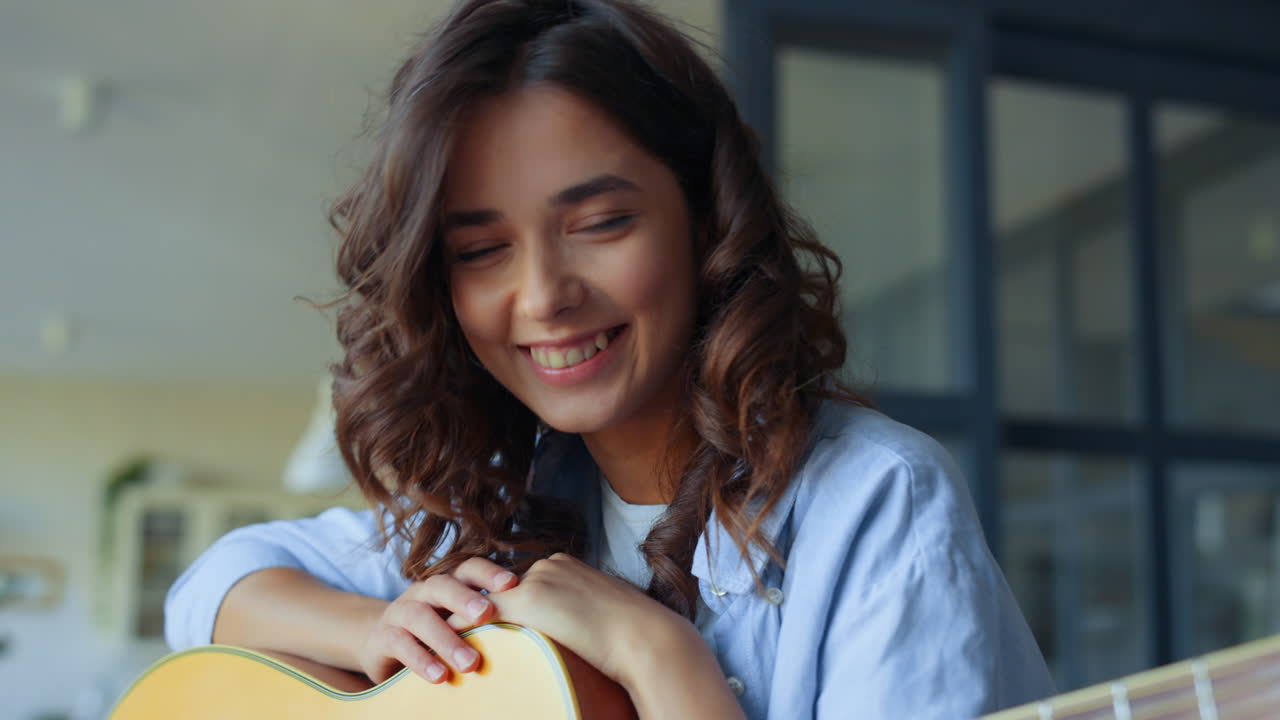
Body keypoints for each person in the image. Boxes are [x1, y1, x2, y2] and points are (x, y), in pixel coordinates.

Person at [164, 1, 1056, 717]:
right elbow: (210, 591)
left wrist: (659, 660)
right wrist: (374, 633)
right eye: (480, 252)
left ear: (708, 219)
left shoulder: (875, 504)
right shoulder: (504, 492)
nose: (544, 295)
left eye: (599, 225)